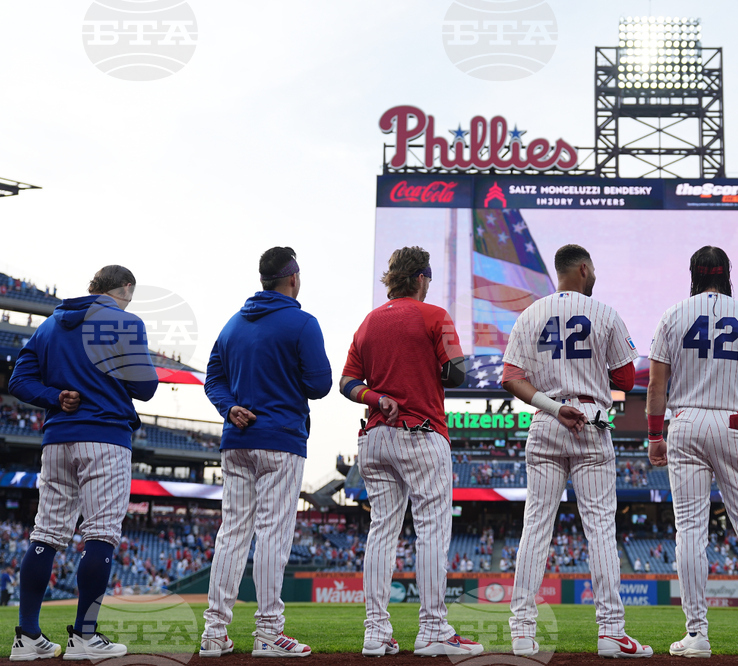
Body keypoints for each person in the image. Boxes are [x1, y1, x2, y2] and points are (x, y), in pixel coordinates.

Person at [645, 246, 738, 659]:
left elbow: (657, 386)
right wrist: (735, 383)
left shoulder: (673, 314)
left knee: (691, 532)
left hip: (688, 422)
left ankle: (696, 635)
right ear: (727, 274)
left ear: (693, 274)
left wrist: (654, 435)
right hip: (735, 422)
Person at [502, 244, 651, 659]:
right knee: (601, 529)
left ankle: (522, 632)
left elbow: (511, 378)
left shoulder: (530, 314)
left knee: (535, 528)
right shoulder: (603, 312)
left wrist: (553, 404)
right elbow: (625, 378)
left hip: (548, 417)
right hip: (589, 420)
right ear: (583, 269)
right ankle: (610, 632)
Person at [8, 265, 158, 660]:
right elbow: (146, 388)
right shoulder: (123, 321)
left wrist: (56, 396)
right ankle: (85, 638)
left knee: (45, 535)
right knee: (101, 534)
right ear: (125, 288)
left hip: (57, 439)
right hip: (105, 437)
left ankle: (27, 637)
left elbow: (19, 381)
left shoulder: (50, 324)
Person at [340, 246, 482, 658]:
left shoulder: (368, 322)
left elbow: (348, 383)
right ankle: (434, 629)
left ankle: (376, 633)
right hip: (421, 431)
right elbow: (458, 374)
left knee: (382, 531)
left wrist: (376, 394)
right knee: (432, 531)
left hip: (375, 436)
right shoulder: (434, 315)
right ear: (421, 277)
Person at [201, 247, 332, 658]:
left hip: (237, 440)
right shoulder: (301, 322)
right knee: (272, 535)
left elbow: (212, 379)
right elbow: (320, 385)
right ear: (292, 278)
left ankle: (213, 633)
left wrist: (229, 407)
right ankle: (269, 633)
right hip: (280, 440)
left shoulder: (232, 324)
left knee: (232, 535)